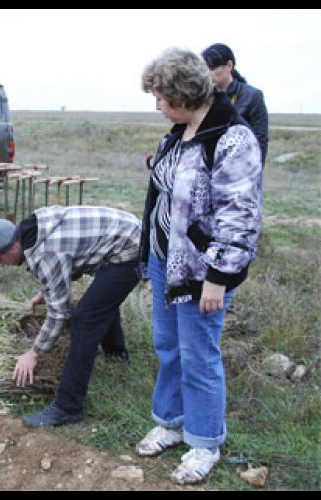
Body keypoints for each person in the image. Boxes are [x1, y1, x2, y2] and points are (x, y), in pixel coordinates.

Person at [138, 48, 263, 484]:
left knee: (199, 355)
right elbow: (167, 195)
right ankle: (171, 422)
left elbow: (240, 216)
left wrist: (218, 279)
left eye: (160, 97)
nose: (156, 106)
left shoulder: (231, 139)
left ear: (183, 95)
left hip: (200, 272)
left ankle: (205, 441)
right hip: (163, 261)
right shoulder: (177, 132)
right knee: (168, 346)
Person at [0, 205, 141, 428]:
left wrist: (34, 353)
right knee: (99, 301)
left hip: (131, 249)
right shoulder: (34, 228)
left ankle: (68, 407)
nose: (2, 266)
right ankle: (116, 356)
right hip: (125, 235)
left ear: (11, 248)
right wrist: (47, 291)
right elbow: (69, 257)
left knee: (84, 318)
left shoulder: (44, 252)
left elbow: (58, 313)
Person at [202, 43, 269, 165]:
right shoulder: (204, 98)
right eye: (204, 70)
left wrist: (253, 175)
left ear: (229, 65)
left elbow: (260, 142)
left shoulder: (253, 96)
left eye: (212, 68)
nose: (208, 74)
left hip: (241, 168)